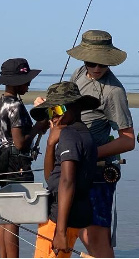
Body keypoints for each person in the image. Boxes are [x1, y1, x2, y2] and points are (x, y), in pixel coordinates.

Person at [69, 30, 135, 257]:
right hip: (74, 168)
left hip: (97, 172)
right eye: (92, 62)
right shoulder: (78, 73)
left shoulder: (113, 91)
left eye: (103, 63)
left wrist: (90, 154)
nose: (97, 68)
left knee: (96, 238)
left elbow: (128, 141)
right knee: (81, 231)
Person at [30, 82, 99, 259]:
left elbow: (67, 182)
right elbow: (51, 177)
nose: (53, 117)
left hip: (59, 220)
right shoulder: (83, 133)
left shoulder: (69, 136)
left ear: (76, 107)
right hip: (71, 216)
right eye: (50, 112)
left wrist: (60, 232)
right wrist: (50, 144)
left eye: (58, 110)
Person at [0, 58, 50, 258]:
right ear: (15, 82)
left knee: (5, 216)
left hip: (3, 159)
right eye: (25, 80)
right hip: (17, 162)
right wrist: (38, 127)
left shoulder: (2, 101)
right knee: (14, 217)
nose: (29, 84)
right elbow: (20, 142)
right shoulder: (15, 105)